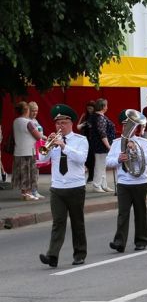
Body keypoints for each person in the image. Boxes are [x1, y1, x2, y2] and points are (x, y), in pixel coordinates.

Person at [39, 105, 89, 268]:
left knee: (77, 222)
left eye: (63, 123)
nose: (60, 126)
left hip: (76, 186)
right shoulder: (52, 141)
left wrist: (63, 146)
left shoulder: (81, 140)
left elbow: (81, 159)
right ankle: (52, 256)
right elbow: (42, 158)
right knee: (58, 222)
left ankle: (80, 254)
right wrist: (48, 144)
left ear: (71, 123)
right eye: (58, 123)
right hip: (57, 187)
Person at [106, 110, 147, 252]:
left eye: (131, 125)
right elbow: (108, 162)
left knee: (140, 212)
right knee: (123, 213)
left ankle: (141, 241)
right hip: (123, 182)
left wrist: (136, 151)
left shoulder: (143, 142)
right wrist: (118, 159)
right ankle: (119, 242)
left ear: (136, 127)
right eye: (125, 125)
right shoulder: (116, 143)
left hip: (139, 182)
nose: (128, 128)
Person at [11, 102, 43, 201]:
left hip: (18, 151)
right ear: (26, 110)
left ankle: (24, 193)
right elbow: (38, 136)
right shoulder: (28, 123)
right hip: (29, 151)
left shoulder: (16, 121)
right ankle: (28, 193)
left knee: (22, 173)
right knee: (29, 173)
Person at [91, 98, 115, 192]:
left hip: (101, 145)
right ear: (103, 106)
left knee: (103, 165)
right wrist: (108, 146)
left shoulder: (99, 116)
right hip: (101, 146)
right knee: (99, 165)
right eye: (106, 105)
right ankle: (96, 185)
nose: (107, 107)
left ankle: (103, 184)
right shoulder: (100, 118)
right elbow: (102, 133)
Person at [77, 101, 97, 181]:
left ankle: (91, 176)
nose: (89, 110)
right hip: (85, 139)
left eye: (91, 108)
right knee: (86, 159)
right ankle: (90, 175)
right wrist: (83, 124)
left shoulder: (96, 116)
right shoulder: (85, 115)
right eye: (88, 108)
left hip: (92, 140)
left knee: (91, 159)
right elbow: (78, 127)